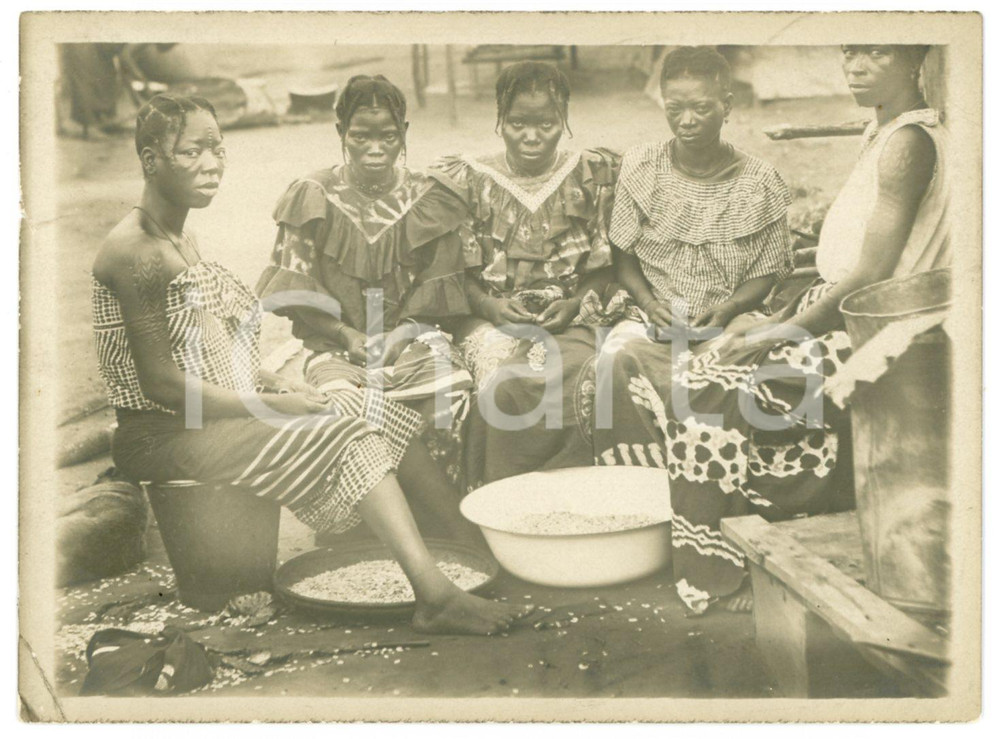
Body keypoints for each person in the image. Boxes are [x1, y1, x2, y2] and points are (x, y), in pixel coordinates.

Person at [92, 93, 531, 635]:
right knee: (347, 434)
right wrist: (276, 403)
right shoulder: (136, 251)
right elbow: (161, 384)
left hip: (208, 417)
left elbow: (201, 351)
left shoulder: (180, 236)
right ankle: (435, 594)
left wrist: (269, 379)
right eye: (191, 152)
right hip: (163, 434)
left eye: (218, 148)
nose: (211, 164)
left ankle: (464, 549)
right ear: (150, 159)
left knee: (365, 402)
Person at [655, 44, 949, 615]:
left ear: (916, 62)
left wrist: (784, 331)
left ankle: (719, 569)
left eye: (878, 53)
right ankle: (742, 537)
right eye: (850, 52)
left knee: (710, 384)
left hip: (882, 334)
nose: (856, 66)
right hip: (845, 311)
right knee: (714, 354)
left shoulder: (909, 145)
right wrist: (777, 315)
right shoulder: (882, 131)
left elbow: (870, 277)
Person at [256, 75, 475, 506]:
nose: (375, 148)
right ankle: (361, 516)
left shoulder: (428, 197)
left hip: (413, 340)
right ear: (341, 134)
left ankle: (433, 509)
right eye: (360, 136)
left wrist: (403, 334)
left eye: (388, 136)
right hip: (335, 346)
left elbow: (439, 286)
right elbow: (295, 288)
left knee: (449, 393)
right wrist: (345, 335)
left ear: (404, 134)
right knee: (337, 406)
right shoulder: (312, 195)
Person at [592, 46, 793, 471]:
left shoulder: (761, 181)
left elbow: (769, 273)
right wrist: (649, 304)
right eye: (675, 108)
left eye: (701, 108)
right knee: (616, 360)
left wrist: (733, 306)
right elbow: (623, 257)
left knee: (728, 380)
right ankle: (640, 483)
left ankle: (705, 490)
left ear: (727, 105)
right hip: (654, 317)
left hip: (732, 318)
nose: (687, 120)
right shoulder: (642, 167)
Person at [429, 61, 619, 488]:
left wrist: (576, 303)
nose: (532, 136)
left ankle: (578, 493)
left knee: (590, 378)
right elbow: (457, 274)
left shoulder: (591, 175)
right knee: (505, 385)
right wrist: (492, 307)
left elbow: (602, 264)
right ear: (500, 119)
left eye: (547, 123)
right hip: (490, 315)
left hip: (573, 316)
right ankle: (503, 497)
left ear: (564, 120)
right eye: (517, 123)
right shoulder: (470, 178)